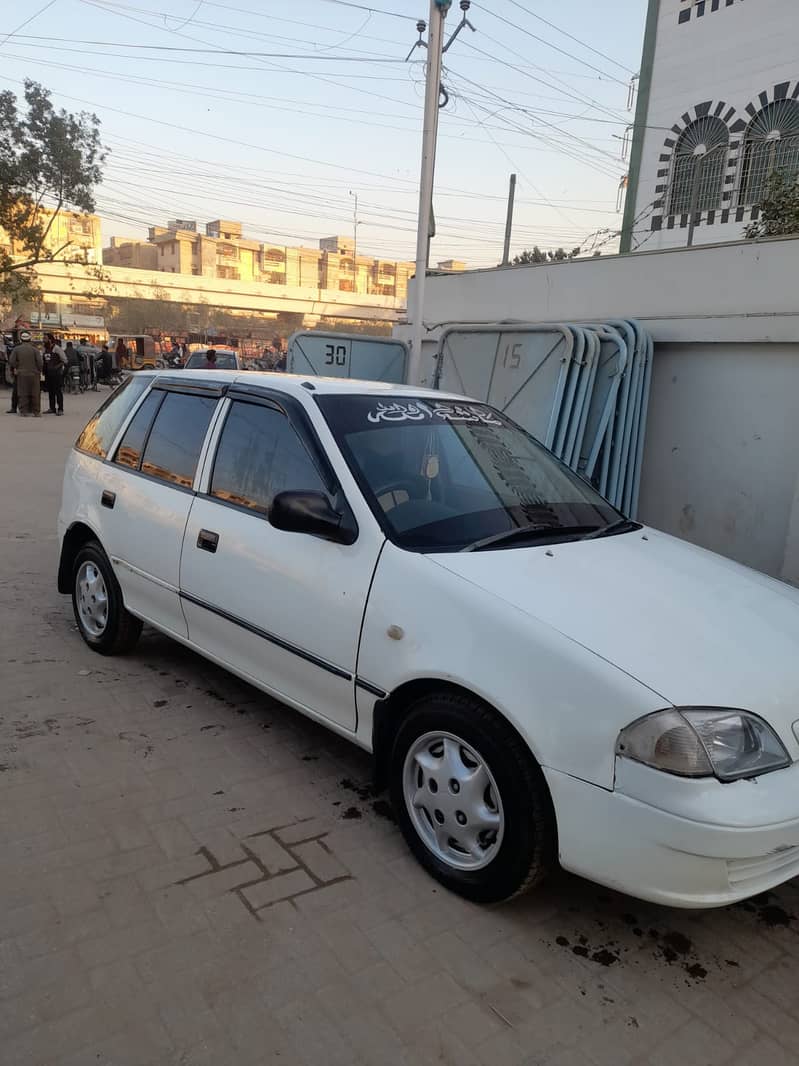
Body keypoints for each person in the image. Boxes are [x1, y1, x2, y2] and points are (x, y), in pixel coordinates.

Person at [9, 330, 43, 417]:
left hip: (22, 374)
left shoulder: (16, 349)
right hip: (34, 374)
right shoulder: (35, 349)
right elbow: (40, 362)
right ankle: (36, 412)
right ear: (30, 339)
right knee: (35, 393)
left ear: (21, 339)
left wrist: (18, 366)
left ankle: (24, 411)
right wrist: (38, 370)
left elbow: (11, 361)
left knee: (23, 393)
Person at [43, 336, 67, 415]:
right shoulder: (45, 349)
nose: (44, 340)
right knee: (50, 392)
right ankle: (52, 408)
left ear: (50, 340)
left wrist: (57, 367)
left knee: (58, 391)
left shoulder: (57, 348)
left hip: (56, 374)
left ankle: (60, 409)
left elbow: (65, 360)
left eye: (45, 338)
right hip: (48, 374)